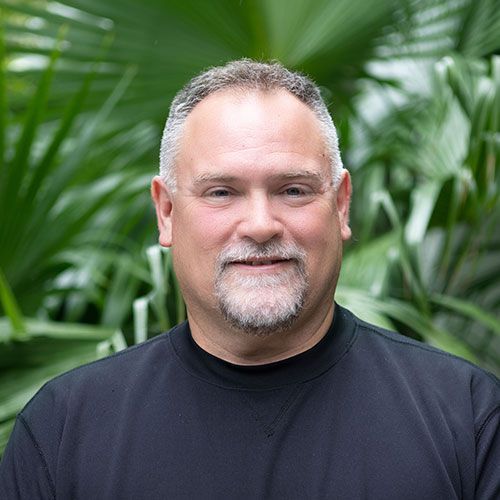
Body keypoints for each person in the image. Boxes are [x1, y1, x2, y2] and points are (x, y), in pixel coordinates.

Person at [0, 59, 499, 499]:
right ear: (167, 211)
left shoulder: (468, 418)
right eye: (221, 192)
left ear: (341, 204)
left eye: (293, 189)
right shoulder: (65, 430)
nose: (261, 224)